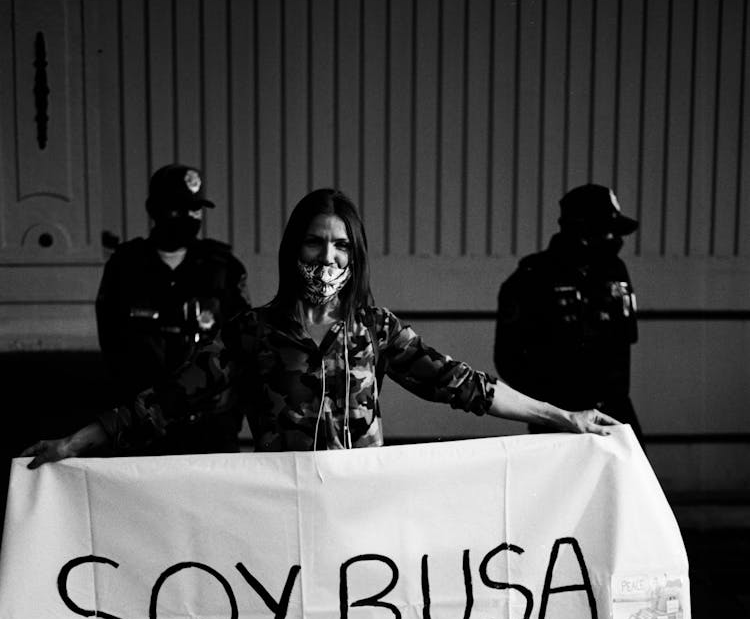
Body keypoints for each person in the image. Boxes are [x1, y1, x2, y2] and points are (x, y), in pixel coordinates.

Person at [22, 188, 617, 467]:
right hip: (279, 518)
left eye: (339, 246)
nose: (326, 258)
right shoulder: (249, 333)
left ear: (354, 257)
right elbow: (164, 402)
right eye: (314, 242)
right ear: (292, 251)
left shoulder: (374, 331)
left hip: (361, 526)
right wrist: (74, 444)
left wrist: (564, 417)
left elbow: (464, 385)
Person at [95, 163, 252, 453]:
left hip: (210, 426)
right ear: (154, 209)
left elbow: (242, 343)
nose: (191, 216)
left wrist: (233, 410)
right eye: (180, 208)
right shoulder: (125, 266)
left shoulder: (223, 268)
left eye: (196, 209)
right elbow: (112, 346)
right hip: (143, 423)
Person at [494, 183, 643, 442]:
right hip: (561, 417)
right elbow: (508, 359)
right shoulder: (532, 277)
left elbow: (623, 340)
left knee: (633, 479)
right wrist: (550, 408)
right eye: (608, 231)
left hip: (615, 410)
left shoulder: (615, 271)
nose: (615, 240)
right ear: (585, 230)